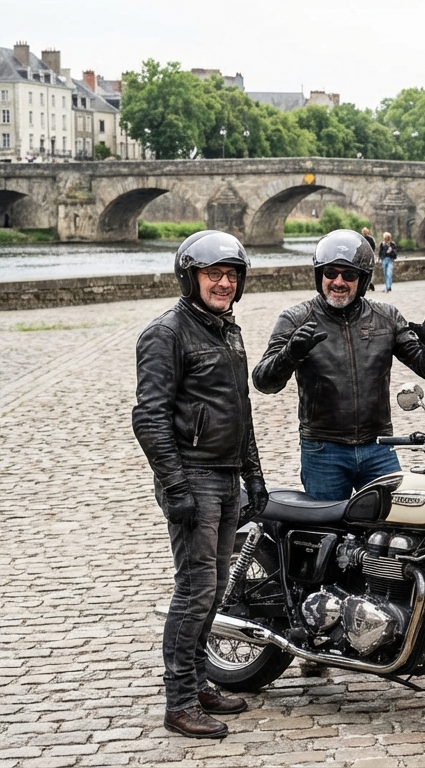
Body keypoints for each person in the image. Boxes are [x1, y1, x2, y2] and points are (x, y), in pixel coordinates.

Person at [132, 230, 269, 739]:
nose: (223, 283)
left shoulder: (227, 330)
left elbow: (241, 409)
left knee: (215, 591)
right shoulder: (166, 333)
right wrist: (175, 486)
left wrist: (253, 474)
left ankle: (201, 678)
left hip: (226, 474)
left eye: (231, 275)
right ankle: (180, 700)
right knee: (194, 592)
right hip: (191, 475)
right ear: (190, 278)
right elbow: (148, 418)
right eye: (213, 274)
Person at [253, 230, 425, 500]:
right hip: (323, 448)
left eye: (349, 275)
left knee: (394, 527)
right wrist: (290, 354)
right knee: (327, 533)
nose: (338, 281)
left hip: (379, 445)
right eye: (331, 272)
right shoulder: (295, 318)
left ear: (363, 278)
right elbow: (263, 382)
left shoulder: (386, 317)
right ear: (319, 274)